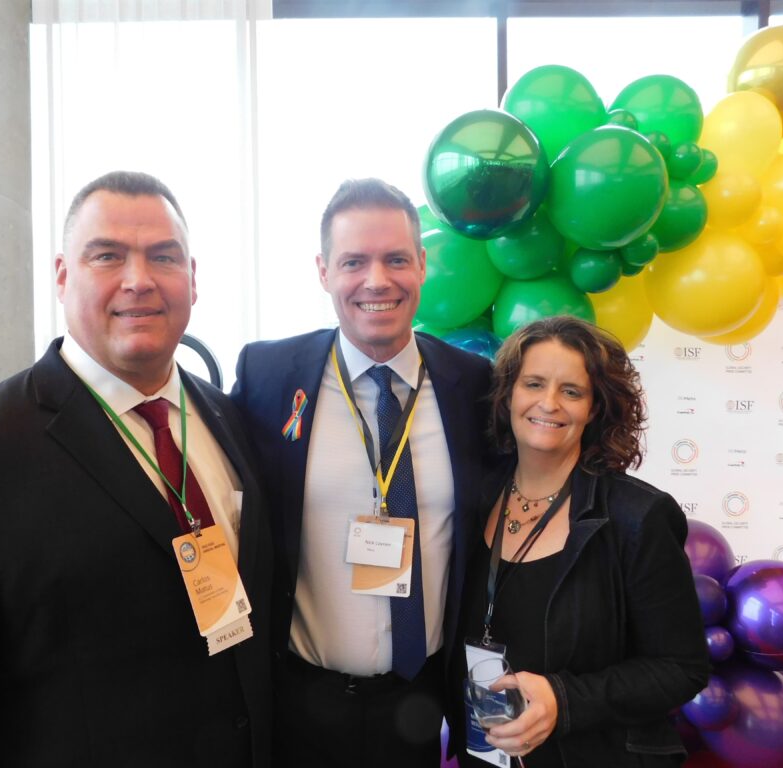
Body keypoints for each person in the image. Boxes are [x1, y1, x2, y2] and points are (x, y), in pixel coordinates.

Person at [0, 171, 272, 767]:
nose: (139, 280)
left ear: (192, 278)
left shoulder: (229, 418)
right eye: (107, 256)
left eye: (164, 256)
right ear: (61, 275)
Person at [231, 178, 495, 767]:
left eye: (396, 258)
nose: (377, 280)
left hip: (420, 702)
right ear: (324, 270)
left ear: (423, 264)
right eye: (354, 261)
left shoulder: (472, 385)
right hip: (299, 702)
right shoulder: (269, 376)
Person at [454, 316, 709, 767]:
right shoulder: (470, 499)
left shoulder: (638, 517)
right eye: (533, 384)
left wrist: (563, 698)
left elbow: (681, 667)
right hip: (488, 754)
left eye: (571, 391)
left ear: (594, 408)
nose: (548, 404)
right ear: (508, 394)